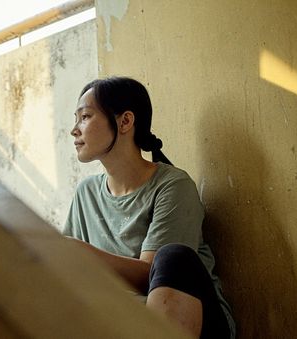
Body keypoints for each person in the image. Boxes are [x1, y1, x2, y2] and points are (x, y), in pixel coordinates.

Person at [63, 77, 235, 338]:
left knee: (173, 256)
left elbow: (152, 276)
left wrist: (80, 253)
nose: (75, 130)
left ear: (125, 121)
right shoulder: (85, 193)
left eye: (85, 116)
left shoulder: (173, 185)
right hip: (119, 322)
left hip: (194, 322)